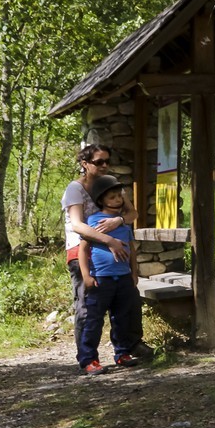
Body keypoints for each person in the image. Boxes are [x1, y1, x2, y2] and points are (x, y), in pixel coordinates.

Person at [61, 143, 135, 358]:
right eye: (98, 162)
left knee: (125, 303)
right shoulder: (75, 188)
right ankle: (86, 355)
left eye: (107, 161)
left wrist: (118, 220)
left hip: (117, 255)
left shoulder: (111, 185)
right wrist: (109, 240)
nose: (104, 165)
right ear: (85, 164)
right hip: (83, 249)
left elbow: (132, 213)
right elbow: (77, 225)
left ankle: (127, 348)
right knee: (89, 306)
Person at [76, 175, 144, 374]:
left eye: (119, 196)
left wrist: (134, 272)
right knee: (94, 319)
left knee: (122, 317)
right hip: (101, 279)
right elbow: (83, 249)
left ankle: (122, 353)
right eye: (112, 197)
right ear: (101, 200)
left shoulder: (123, 224)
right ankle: (89, 359)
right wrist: (86, 276)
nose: (117, 200)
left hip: (123, 277)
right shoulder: (93, 221)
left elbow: (132, 248)